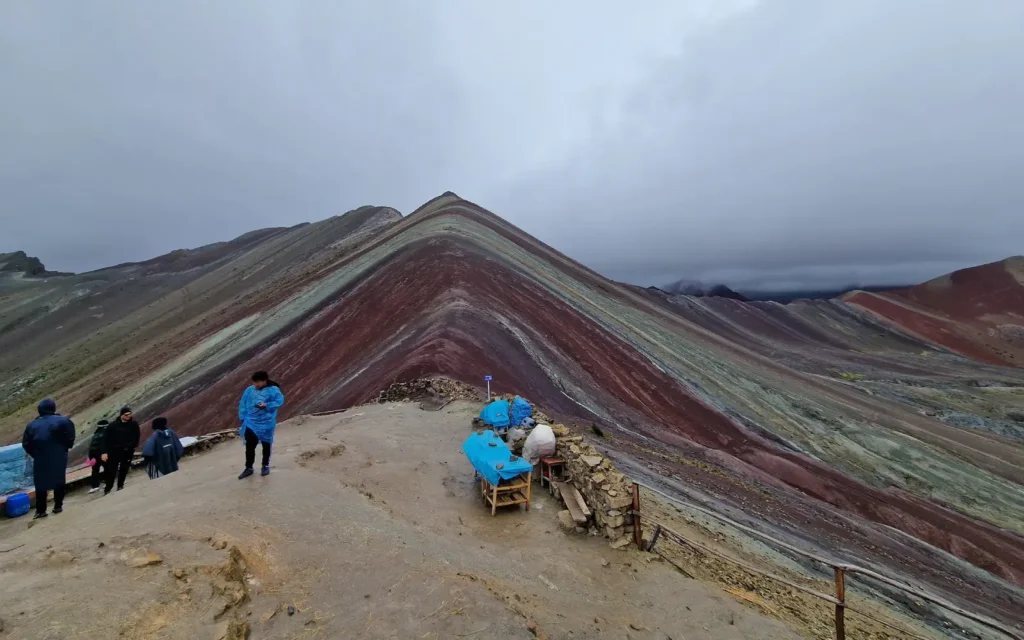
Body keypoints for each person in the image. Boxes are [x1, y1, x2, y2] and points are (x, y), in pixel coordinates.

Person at [21, 399, 75, 519]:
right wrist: (63, 449)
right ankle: (58, 506)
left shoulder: (32, 425)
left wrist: (36, 454)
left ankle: (40, 511)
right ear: (53, 408)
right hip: (59, 455)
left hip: (40, 457)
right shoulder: (64, 421)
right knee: (59, 479)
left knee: (40, 483)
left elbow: (26, 444)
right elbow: (70, 437)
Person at [237, 371, 285, 479]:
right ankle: (248, 467)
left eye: (258, 382)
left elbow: (279, 401)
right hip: (251, 422)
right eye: (254, 382)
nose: (256, 385)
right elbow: (243, 403)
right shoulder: (249, 390)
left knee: (266, 444)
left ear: (265, 380)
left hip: (266, 422)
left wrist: (266, 405)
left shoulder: (273, 390)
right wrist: (243, 417)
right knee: (250, 446)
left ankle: (265, 466)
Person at [104, 406, 140, 494]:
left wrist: (133, 445)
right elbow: (106, 439)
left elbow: (137, 435)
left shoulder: (133, 424)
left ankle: (120, 485)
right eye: (126, 415)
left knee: (124, 468)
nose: (129, 416)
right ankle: (108, 488)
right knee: (112, 470)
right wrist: (105, 451)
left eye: (130, 414)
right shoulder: (113, 425)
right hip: (114, 451)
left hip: (128, 450)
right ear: (122, 415)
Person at [87, 418, 110, 493]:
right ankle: (108, 482)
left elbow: (91, 447)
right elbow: (104, 445)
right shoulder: (105, 433)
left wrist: (90, 457)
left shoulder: (95, 434)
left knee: (95, 470)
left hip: (94, 455)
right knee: (107, 468)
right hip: (102, 454)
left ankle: (95, 486)